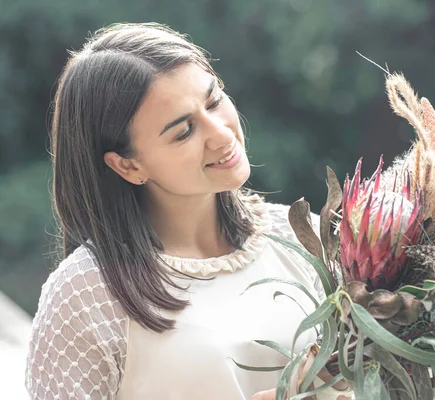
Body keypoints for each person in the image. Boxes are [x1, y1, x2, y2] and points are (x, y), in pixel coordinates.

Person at [24, 22, 353, 400]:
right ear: (128, 166)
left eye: (214, 101)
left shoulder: (306, 238)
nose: (222, 134)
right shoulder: (84, 295)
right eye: (183, 132)